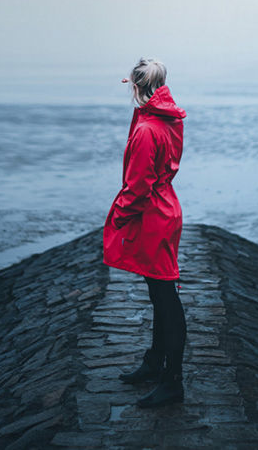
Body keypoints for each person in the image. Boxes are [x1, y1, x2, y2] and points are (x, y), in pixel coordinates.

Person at [102, 57, 188, 408]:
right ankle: (155, 364)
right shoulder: (165, 120)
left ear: (135, 87)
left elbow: (137, 187)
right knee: (159, 293)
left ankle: (172, 382)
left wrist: (117, 217)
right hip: (165, 208)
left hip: (152, 217)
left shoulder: (147, 130)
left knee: (166, 297)